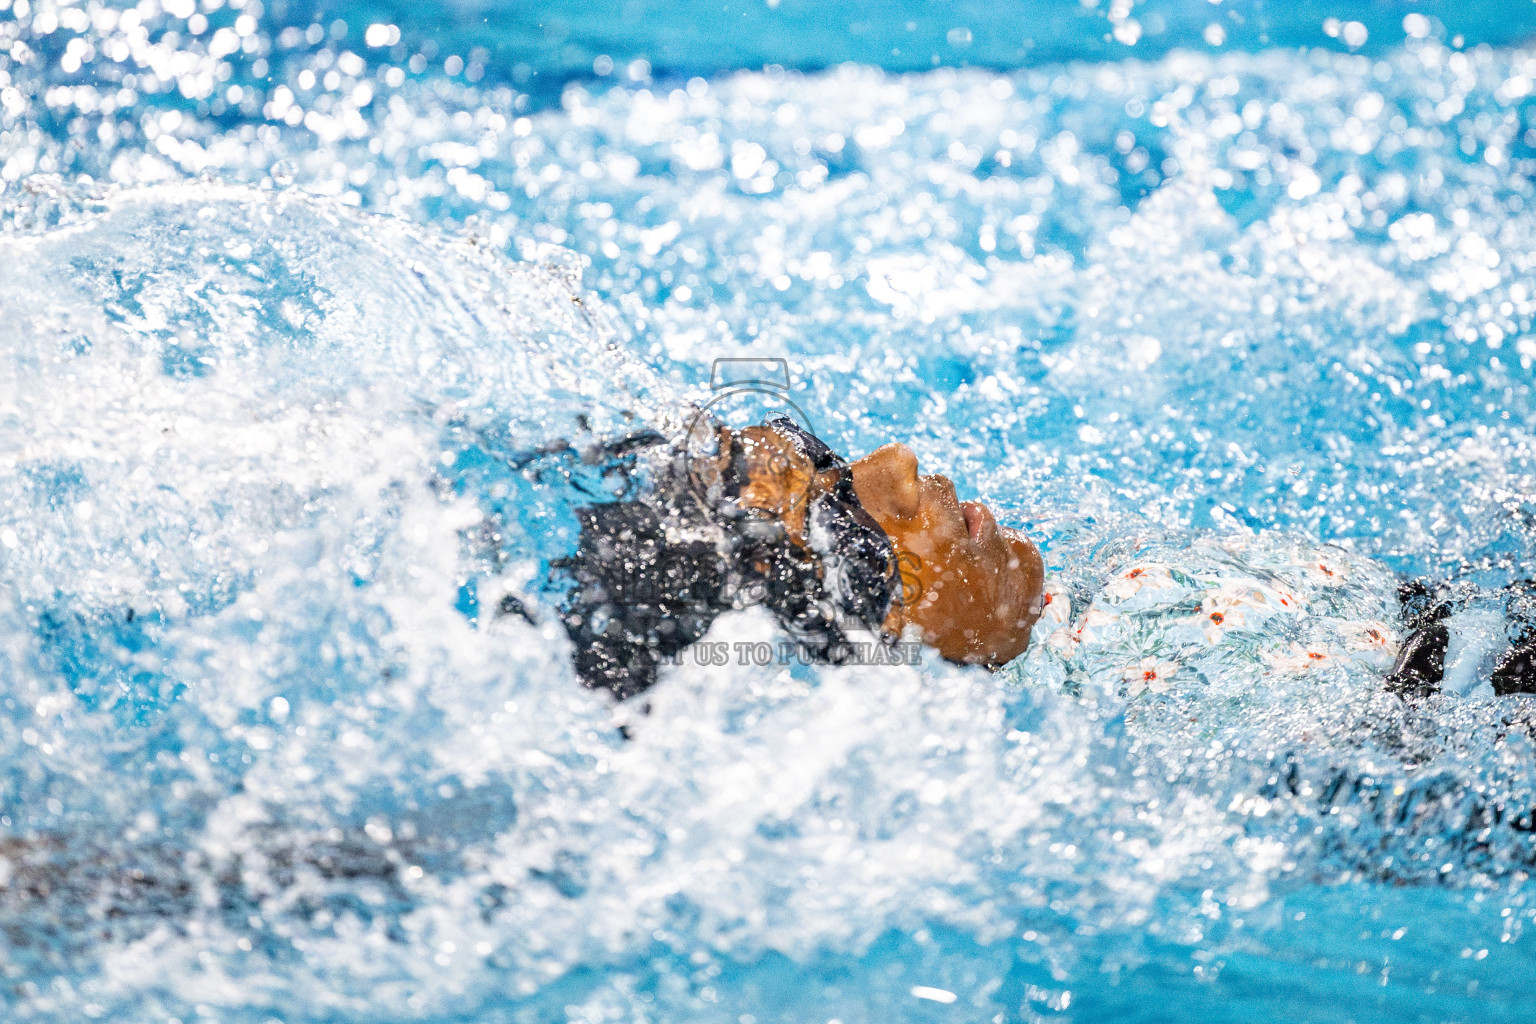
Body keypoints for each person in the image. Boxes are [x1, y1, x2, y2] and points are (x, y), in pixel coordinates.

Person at [549, 415, 1536, 704]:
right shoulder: (1110, 696)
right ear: (884, 608)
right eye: (865, 498)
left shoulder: (1082, 571)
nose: (908, 465)